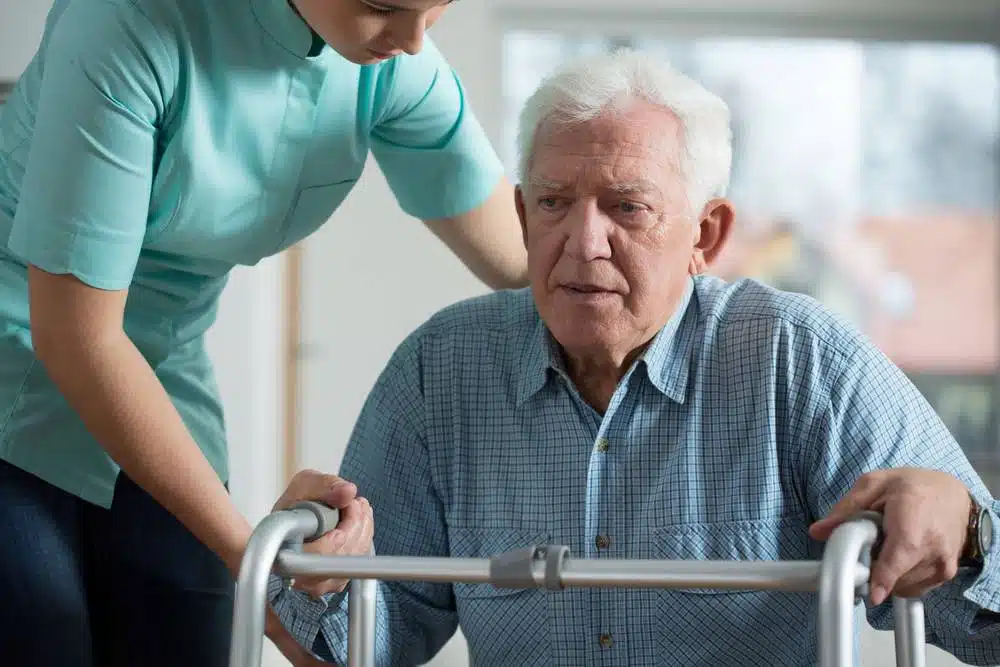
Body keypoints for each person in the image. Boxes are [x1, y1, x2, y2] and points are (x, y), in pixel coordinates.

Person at [266, 49, 1000, 665]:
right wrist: (314, 574)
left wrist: (964, 530)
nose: (583, 242)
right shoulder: (441, 369)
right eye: (554, 203)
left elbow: (984, 627)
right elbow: (362, 642)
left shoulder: (800, 359)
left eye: (627, 207)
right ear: (521, 218)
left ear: (706, 235)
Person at [0, 0, 527, 665]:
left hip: (163, 370)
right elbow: (79, 337)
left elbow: (528, 263)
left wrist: (680, 263)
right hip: (19, 350)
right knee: (42, 629)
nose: (415, 40)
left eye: (440, 6)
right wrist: (262, 569)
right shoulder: (127, 21)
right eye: (382, 6)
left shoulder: (395, 66)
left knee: (188, 628)